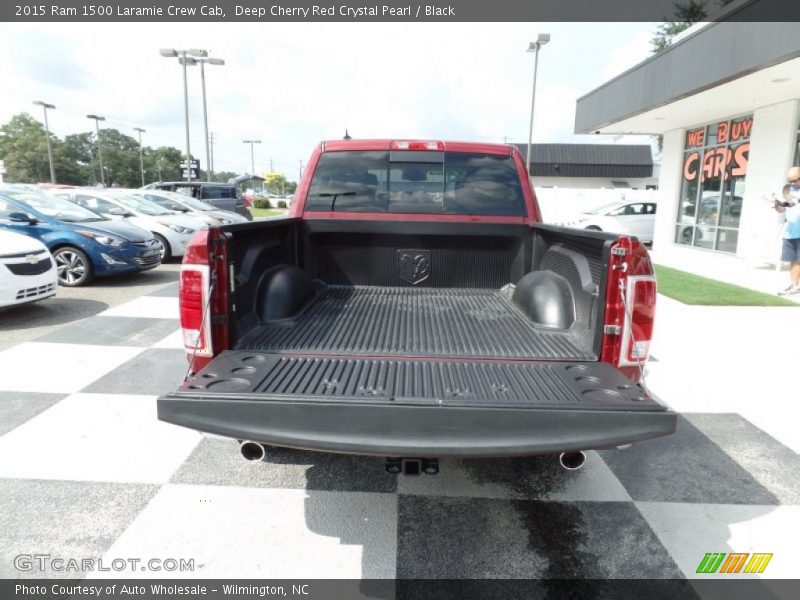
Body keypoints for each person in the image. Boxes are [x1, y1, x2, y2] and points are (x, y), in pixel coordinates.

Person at [772, 166, 800, 295]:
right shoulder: (788, 191)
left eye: (795, 180)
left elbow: (792, 203)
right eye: (790, 181)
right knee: (793, 260)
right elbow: (782, 210)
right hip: (791, 232)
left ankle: (794, 286)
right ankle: (794, 285)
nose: (792, 184)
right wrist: (776, 204)